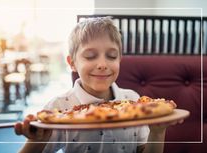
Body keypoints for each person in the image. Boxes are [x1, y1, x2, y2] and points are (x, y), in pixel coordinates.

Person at [14, 17, 183, 153]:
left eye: (111, 56)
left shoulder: (134, 101)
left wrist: (157, 132)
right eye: (90, 56)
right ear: (72, 63)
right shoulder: (59, 107)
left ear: (120, 60)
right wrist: (37, 140)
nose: (102, 64)